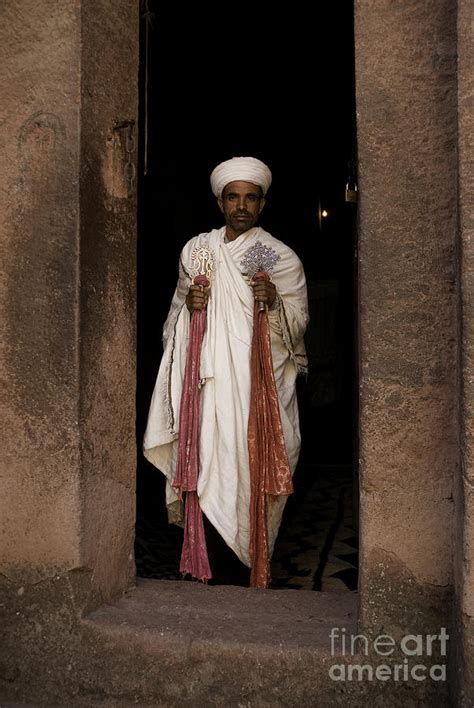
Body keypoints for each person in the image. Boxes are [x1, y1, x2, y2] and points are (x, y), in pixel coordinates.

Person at [143, 156, 309, 585]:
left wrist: (272, 301)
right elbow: (174, 317)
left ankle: (248, 562)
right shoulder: (198, 251)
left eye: (250, 198)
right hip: (207, 390)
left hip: (257, 394)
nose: (241, 206)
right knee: (206, 469)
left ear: (263, 204)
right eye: (232, 197)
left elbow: (299, 326)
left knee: (251, 468)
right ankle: (208, 566)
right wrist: (190, 312)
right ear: (219, 202)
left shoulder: (280, 258)